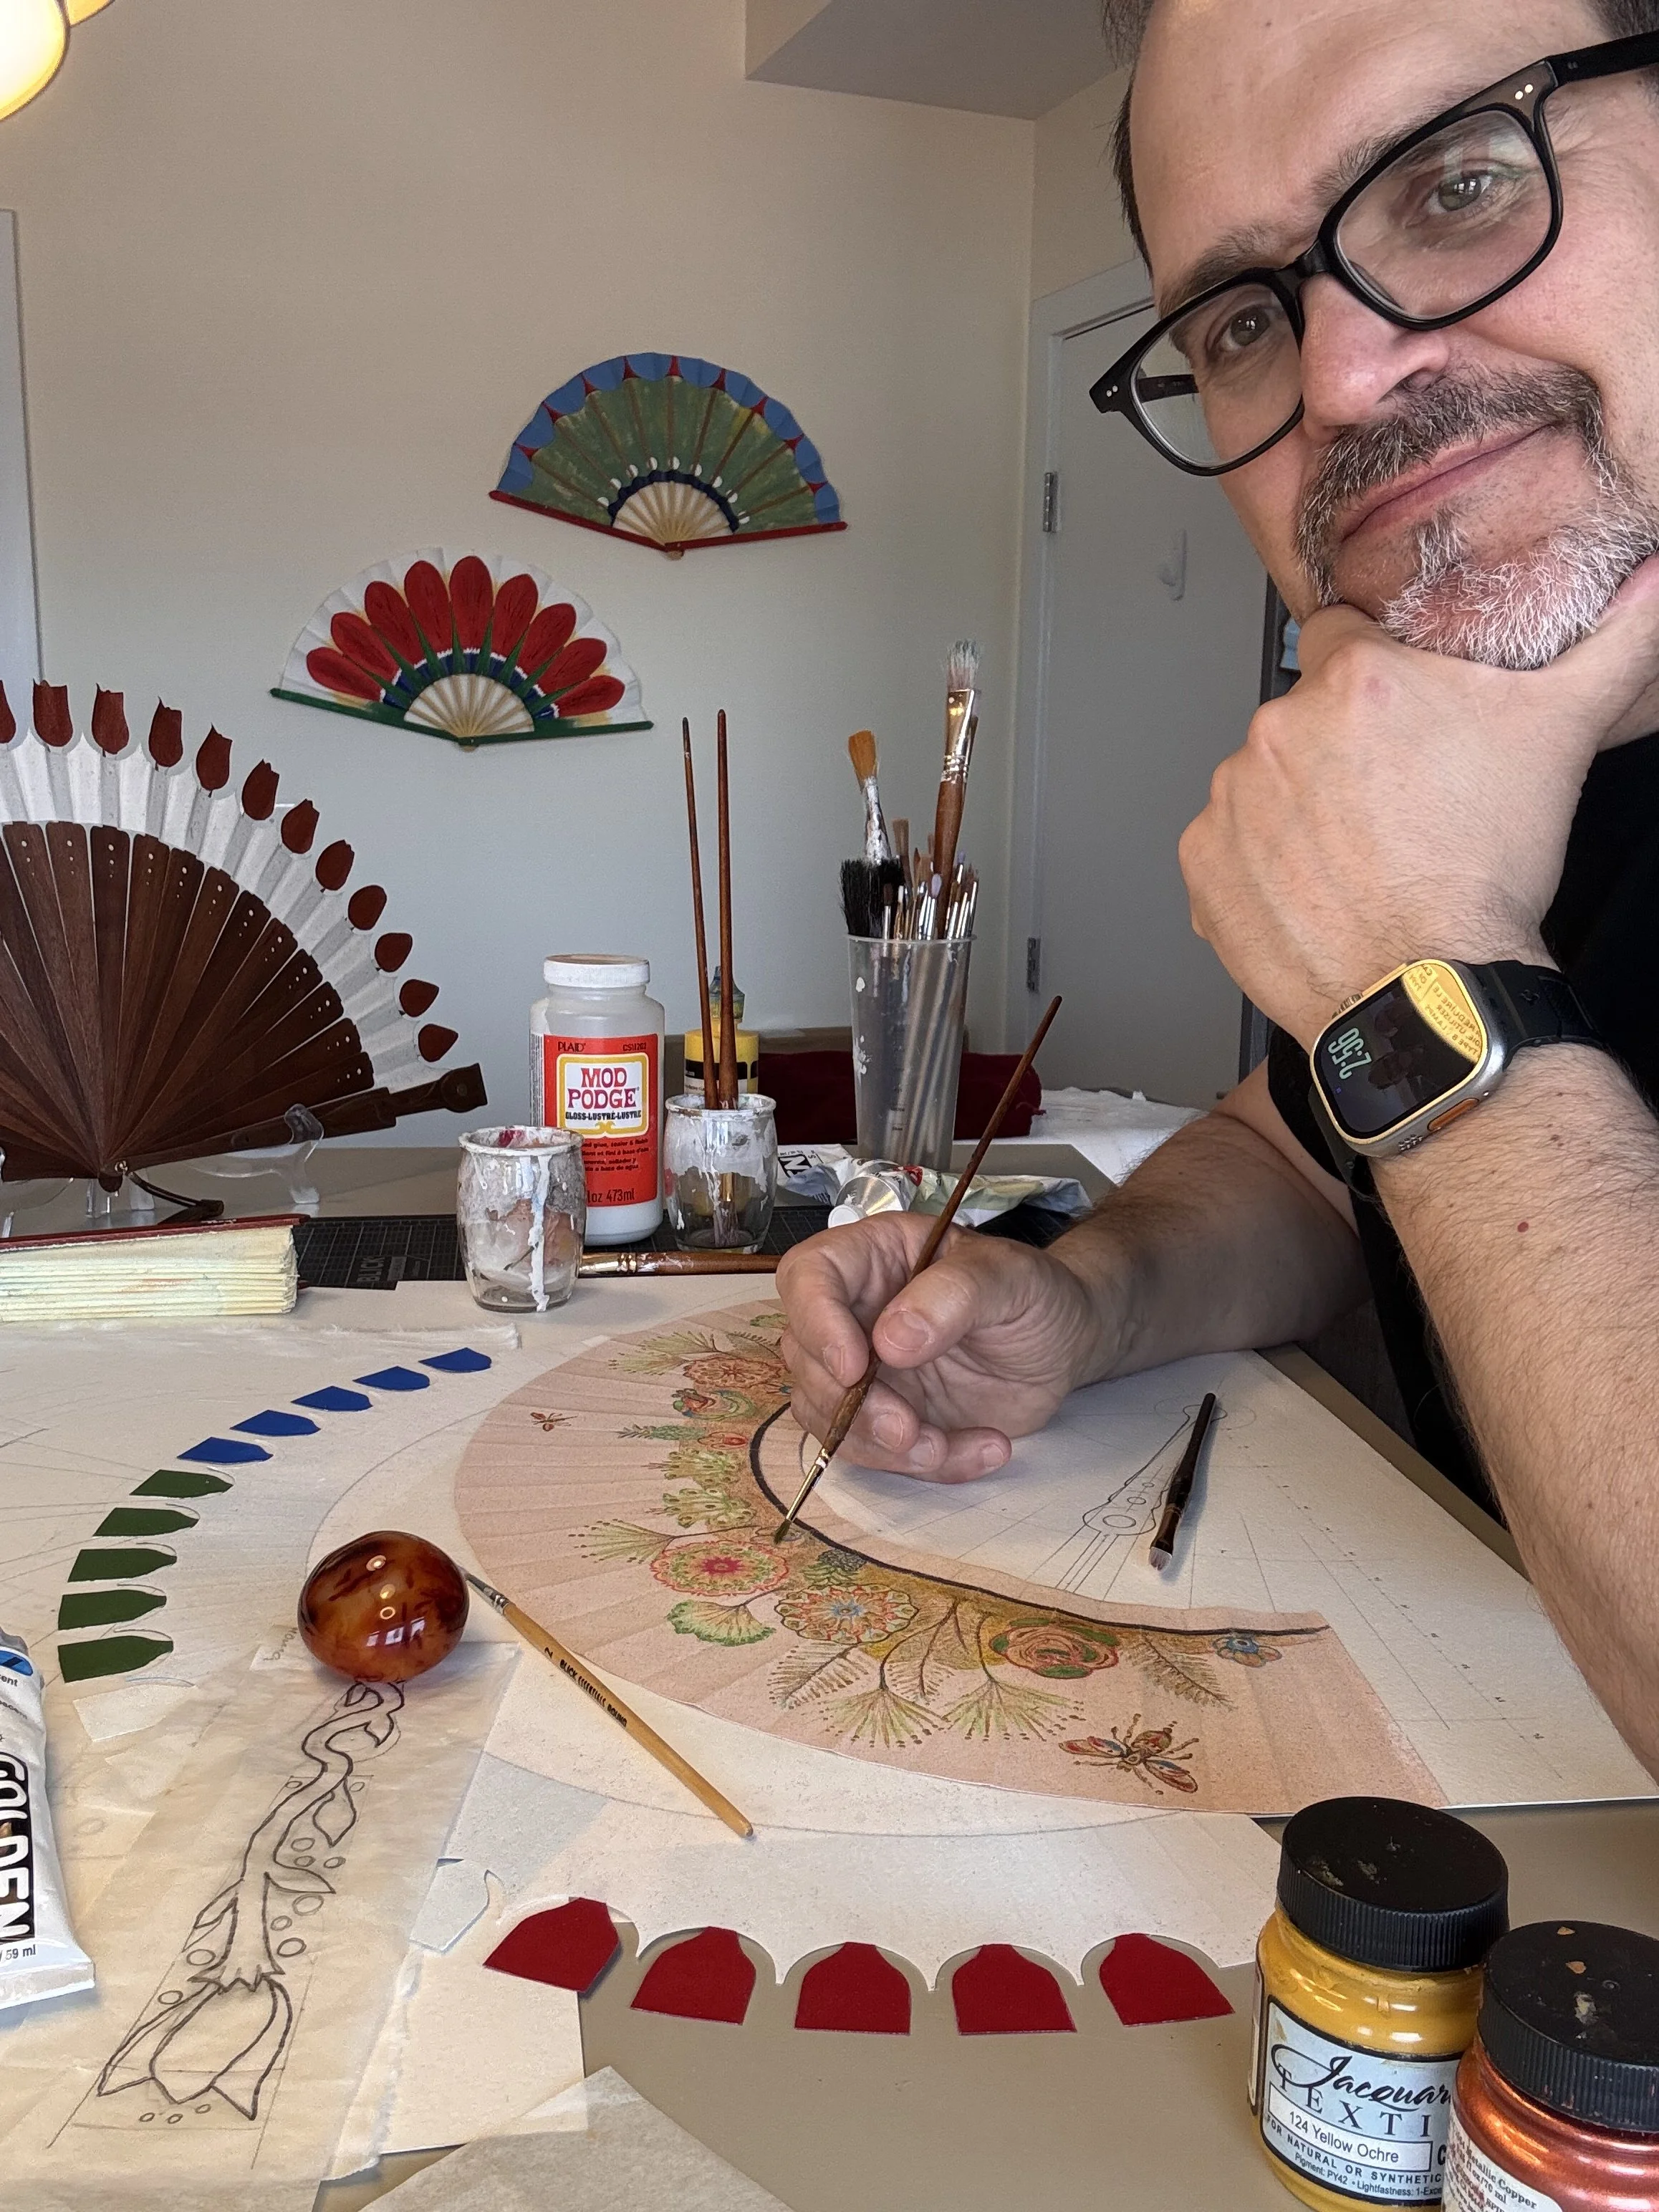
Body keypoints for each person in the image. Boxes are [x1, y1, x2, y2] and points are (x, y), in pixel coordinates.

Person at [778, 0, 1659, 1778]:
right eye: (1247, 319)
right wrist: (1087, 1298)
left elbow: (1426, 1094)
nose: (1341, 380)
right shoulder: (1471, 745)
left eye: (1459, 181)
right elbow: (1312, 1155)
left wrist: (1436, 966)